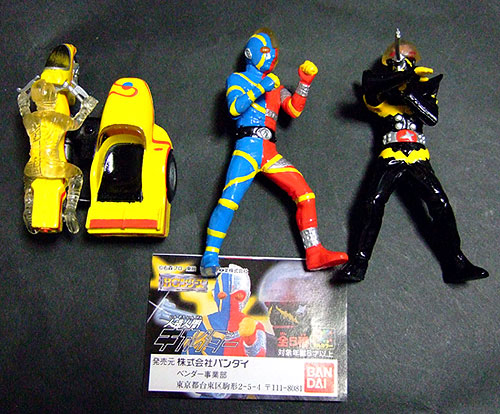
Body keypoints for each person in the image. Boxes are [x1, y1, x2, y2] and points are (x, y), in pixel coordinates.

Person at [336, 30, 488, 283]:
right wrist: (402, 79)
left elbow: (431, 117)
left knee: (440, 203)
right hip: (390, 155)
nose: (401, 66)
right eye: (397, 64)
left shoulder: (422, 92)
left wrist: (408, 92)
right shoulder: (380, 95)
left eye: (407, 64)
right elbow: (370, 89)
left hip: (417, 156)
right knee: (373, 202)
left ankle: (457, 262)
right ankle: (359, 263)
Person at [200, 28, 347, 277]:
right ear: (251, 53)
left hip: (269, 152)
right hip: (247, 149)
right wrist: (260, 87)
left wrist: (304, 83)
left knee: (305, 194)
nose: (271, 57)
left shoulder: (276, 86)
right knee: (228, 200)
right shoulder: (238, 79)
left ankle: (314, 252)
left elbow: (293, 109)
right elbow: (234, 108)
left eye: (273, 53)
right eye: (266, 51)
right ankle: (210, 255)